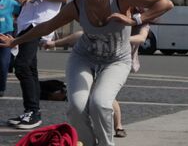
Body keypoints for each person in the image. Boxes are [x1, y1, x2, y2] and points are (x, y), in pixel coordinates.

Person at [0, 0, 173, 146]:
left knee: (100, 103)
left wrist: (135, 21)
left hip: (116, 59)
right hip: (84, 58)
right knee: (76, 106)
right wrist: (16, 40)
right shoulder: (77, 6)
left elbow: (165, 3)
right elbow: (46, 27)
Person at [42, 8, 151, 139]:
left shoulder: (141, 22)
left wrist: (119, 37)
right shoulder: (113, 16)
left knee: (103, 98)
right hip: (94, 59)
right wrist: (55, 43)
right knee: (98, 97)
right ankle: (111, 128)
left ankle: (116, 126)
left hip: (118, 62)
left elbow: (141, 38)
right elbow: (83, 34)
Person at [8, 0, 71, 130]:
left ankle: (33, 112)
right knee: (30, 68)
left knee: (22, 66)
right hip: (28, 21)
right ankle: (32, 112)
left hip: (40, 23)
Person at [0, 0, 21, 98]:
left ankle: (1, 88)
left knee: (3, 63)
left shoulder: (9, 2)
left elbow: (23, 10)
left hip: (5, 36)